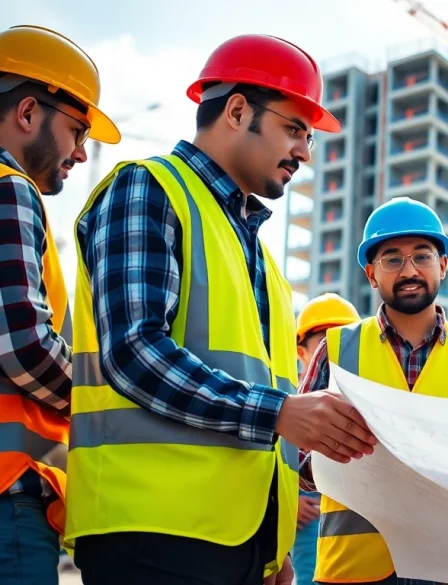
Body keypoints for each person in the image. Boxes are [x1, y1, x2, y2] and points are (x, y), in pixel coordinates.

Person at [65, 34, 376, 585]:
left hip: (243, 548)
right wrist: (279, 412)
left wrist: (272, 545)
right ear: (237, 111)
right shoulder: (148, 189)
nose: (305, 152)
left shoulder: (264, 265)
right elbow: (134, 350)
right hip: (152, 535)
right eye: (294, 129)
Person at [296, 196, 448, 585]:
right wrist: (340, 463)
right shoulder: (337, 348)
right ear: (371, 274)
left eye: (422, 256)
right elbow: (295, 457)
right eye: (392, 259)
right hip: (352, 570)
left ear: (443, 265)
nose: (409, 270)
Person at [0, 24, 120, 584]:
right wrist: (106, 404)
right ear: (28, 113)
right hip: (8, 492)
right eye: (77, 129)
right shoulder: (10, 187)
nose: (80, 151)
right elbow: (24, 347)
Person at [292, 293, 361, 585]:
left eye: (340, 344)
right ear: (302, 352)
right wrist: (289, 500)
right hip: (306, 517)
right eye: (322, 344)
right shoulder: (285, 403)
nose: (331, 355)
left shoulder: (366, 401)